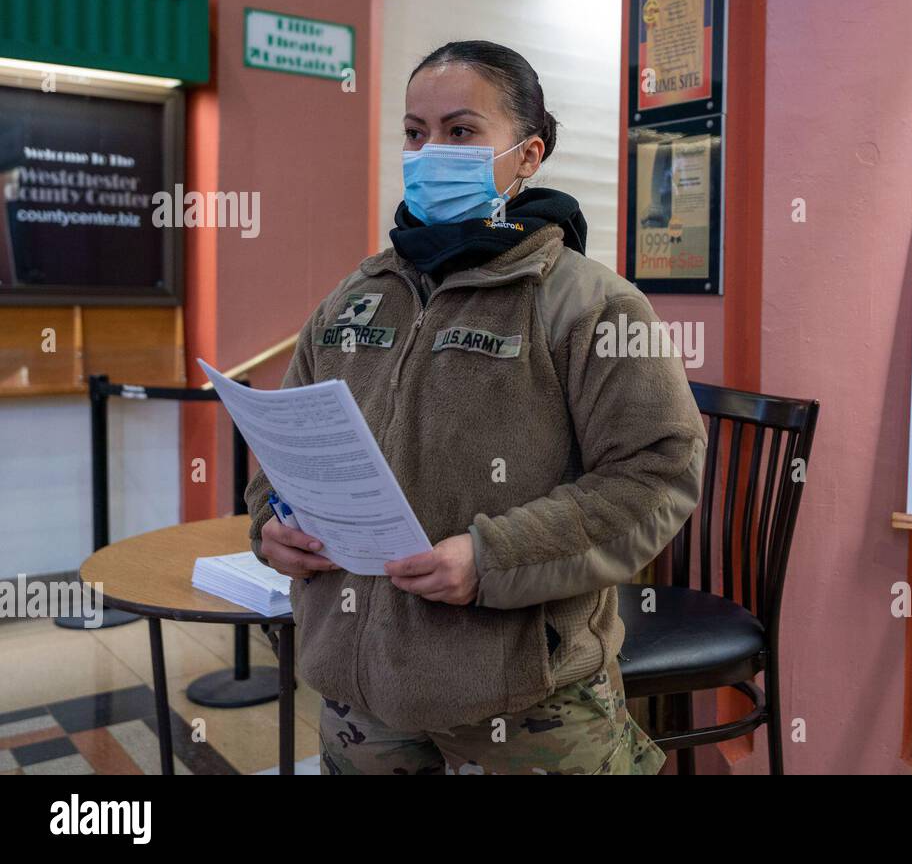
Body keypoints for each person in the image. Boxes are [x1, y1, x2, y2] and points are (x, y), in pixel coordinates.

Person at [245, 40, 707, 775]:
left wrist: (492, 558)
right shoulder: (355, 298)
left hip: (527, 703)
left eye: (461, 132)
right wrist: (272, 523)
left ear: (527, 155)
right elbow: (286, 454)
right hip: (360, 694)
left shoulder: (589, 305)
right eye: (414, 131)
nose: (431, 152)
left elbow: (657, 477)